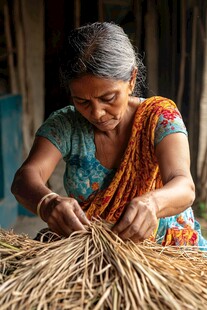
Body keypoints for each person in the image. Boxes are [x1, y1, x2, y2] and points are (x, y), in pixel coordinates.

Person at [11, 21, 207, 250]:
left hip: (164, 249)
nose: (97, 113)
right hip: (94, 249)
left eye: (108, 98)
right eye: (82, 101)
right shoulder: (65, 125)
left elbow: (183, 185)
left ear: (132, 80)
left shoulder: (159, 117)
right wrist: (48, 202)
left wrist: (153, 203)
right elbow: (25, 178)